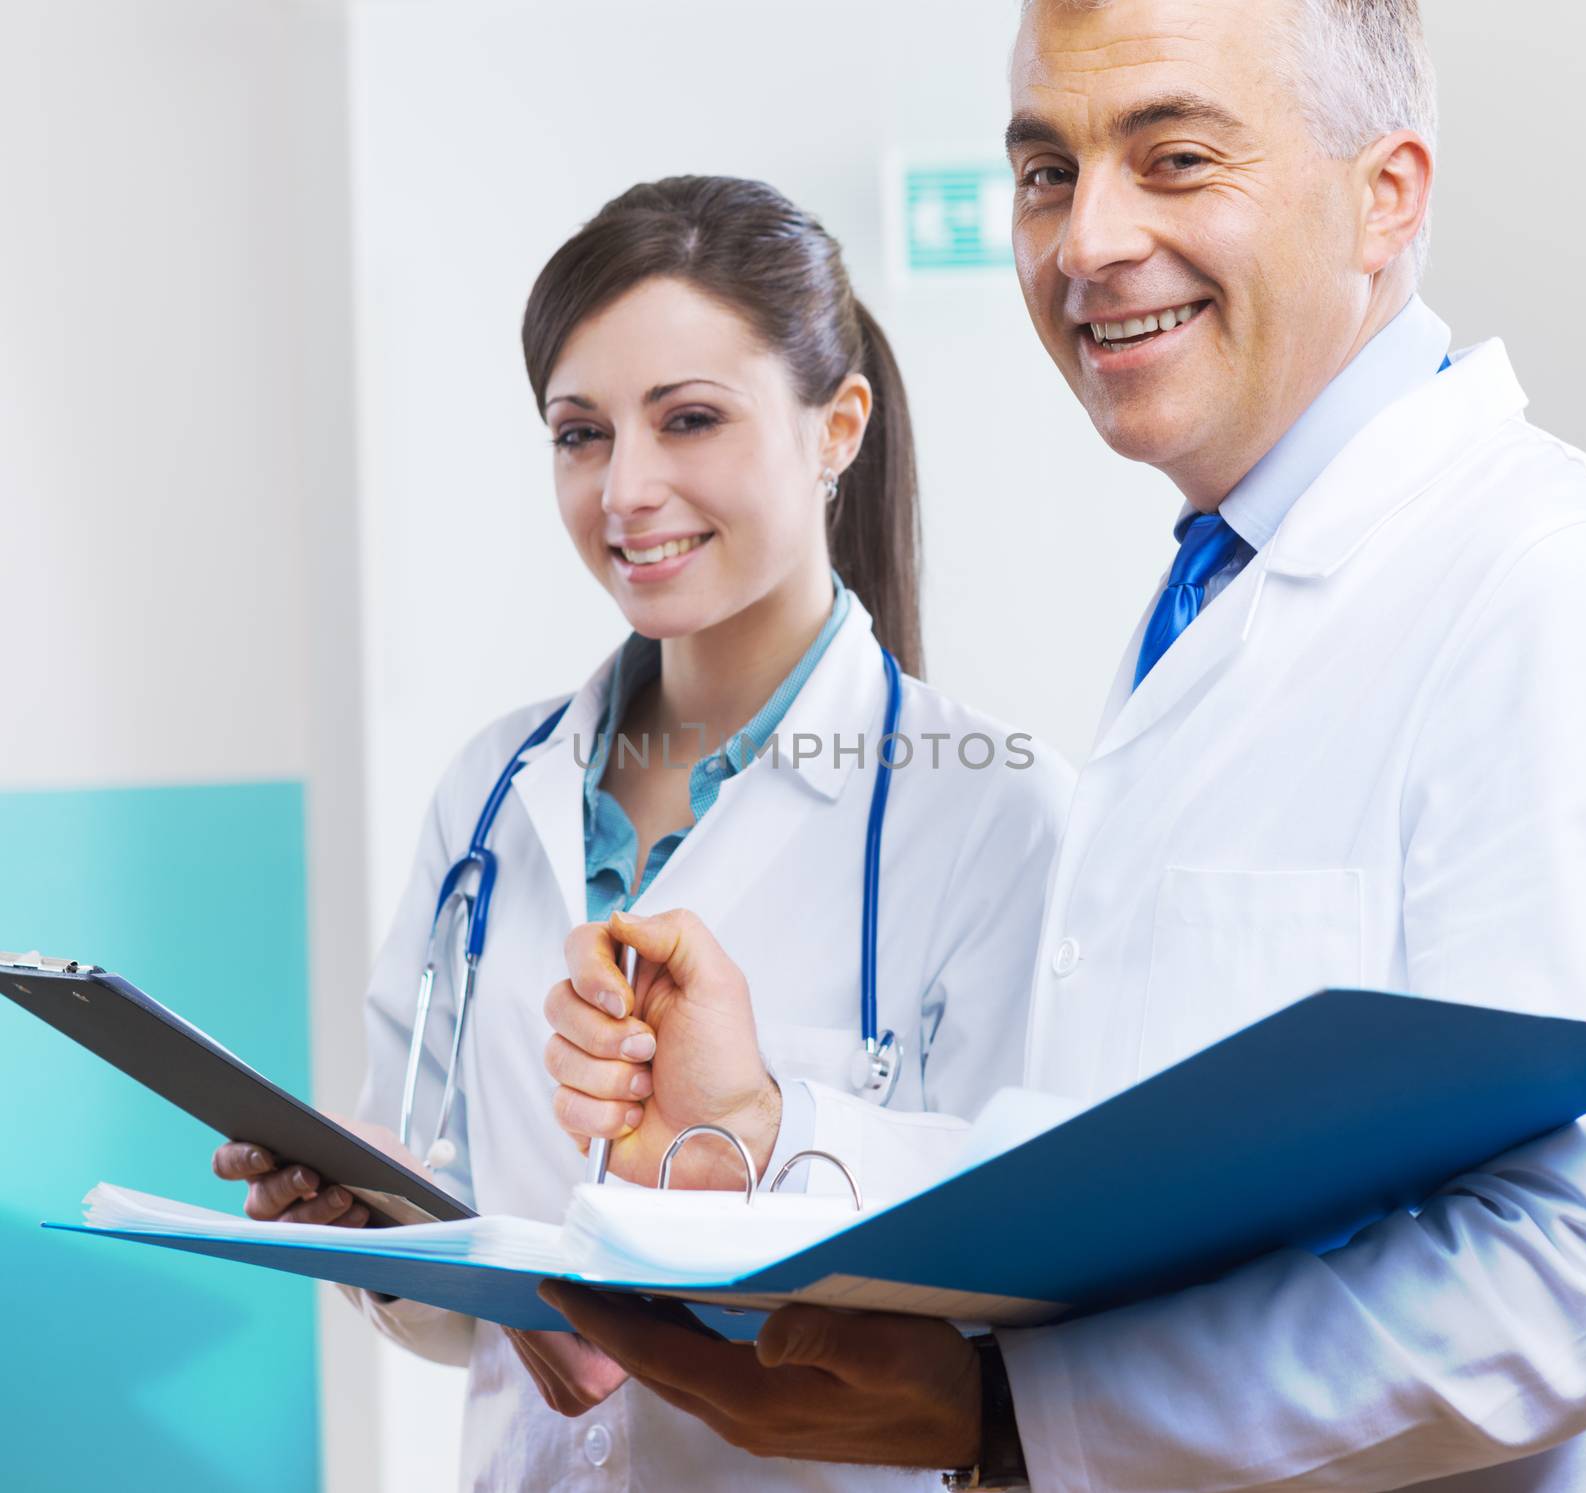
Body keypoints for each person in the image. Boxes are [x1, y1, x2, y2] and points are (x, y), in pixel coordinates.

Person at [538, 3, 1586, 1489]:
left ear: (1388, 195)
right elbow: (1119, 1179)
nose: (1086, 239)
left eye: (1172, 158)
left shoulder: (1543, 588)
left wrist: (1022, 1417)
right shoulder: (1213, 590)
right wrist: (761, 1123)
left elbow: (1572, 1271)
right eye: (1047, 171)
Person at [211, 174, 1072, 1490]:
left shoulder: (996, 809)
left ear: (838, 426)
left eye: (690, 421)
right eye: (582, 433)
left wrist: (760, 1146)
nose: (628, 488)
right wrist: (375, 1221)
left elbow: (1019, 1292)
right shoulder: (494, 788)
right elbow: (456, 1308)